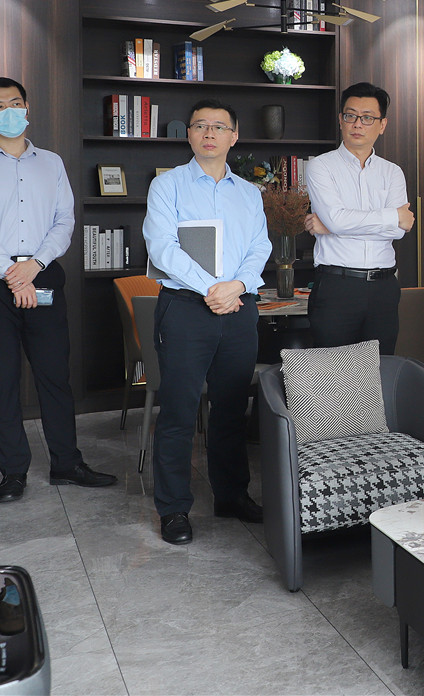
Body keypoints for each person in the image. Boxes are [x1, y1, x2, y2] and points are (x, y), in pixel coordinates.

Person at [0, 76, 117, 503]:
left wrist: (34, 266)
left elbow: (64, 221)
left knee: (54, 374)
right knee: (2, 376)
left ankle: (67, 463)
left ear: (27, 107)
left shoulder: (52, 163)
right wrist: (12, 273)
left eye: (16, 102)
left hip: (42, 272)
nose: (9, 111)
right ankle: (13, 471)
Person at [144, 99, 271, 545]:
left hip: (239, 308)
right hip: (185, 309)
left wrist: (237, 286)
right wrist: (213, 289)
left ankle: (231, 496)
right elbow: (162, 248)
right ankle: (173, 508)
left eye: (219, 126)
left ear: (234, 136)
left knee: (231, 409)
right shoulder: (168, 186)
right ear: (190, 134)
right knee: (178, 411)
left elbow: (260, 247)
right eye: (200, 125)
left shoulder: (249, 193)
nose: (209, 133)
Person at [304, 82, 413, 354]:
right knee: (332, 371)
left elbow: (399, 231)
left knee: (379, 369)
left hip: (384, 288)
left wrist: (334, 227)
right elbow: (338, 219)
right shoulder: (320, 166)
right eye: (350, 115)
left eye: (367, 118)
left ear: (382, 124)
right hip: (337, 287)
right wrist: (391, 217)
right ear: (340, 120)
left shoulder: (392, 172)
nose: (357, 124)